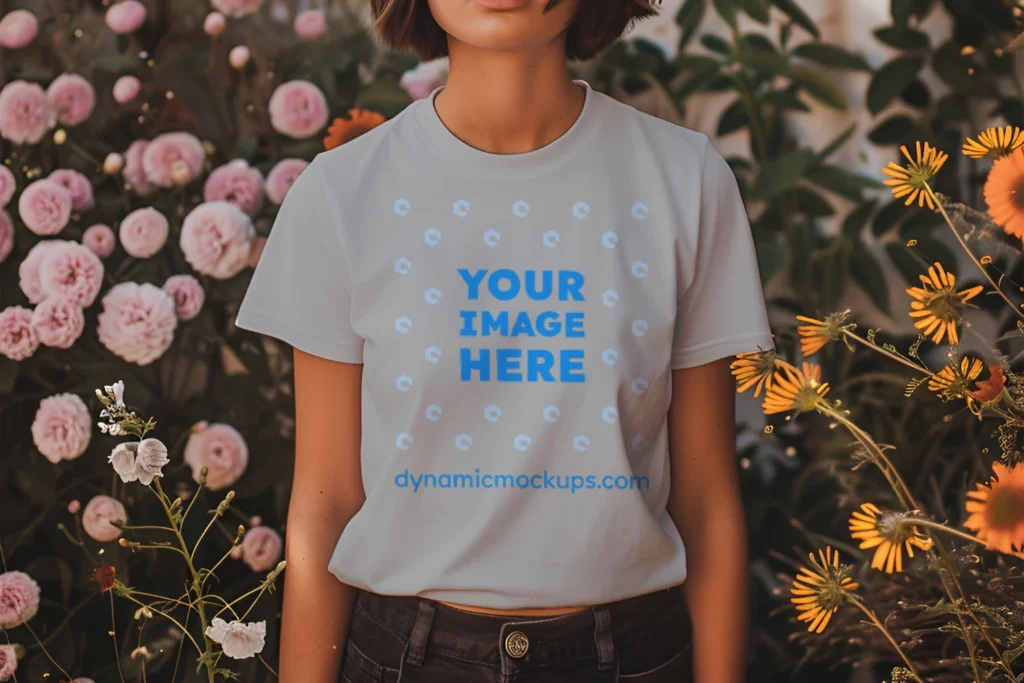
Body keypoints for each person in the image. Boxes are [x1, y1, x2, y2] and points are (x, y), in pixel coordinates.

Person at [235, 0, 773, 681]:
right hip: (403, 656)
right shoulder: (340, 197)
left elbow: (708, 505)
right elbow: (325, 506)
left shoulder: (685, 182)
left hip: (635, 655)